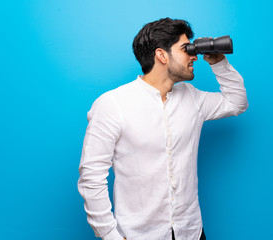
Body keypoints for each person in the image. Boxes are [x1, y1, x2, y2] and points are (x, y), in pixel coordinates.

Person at [78, 17, 248, 240]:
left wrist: (218, 62)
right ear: (161, 55)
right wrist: (109, 234)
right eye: (185, 48)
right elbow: (92, 176)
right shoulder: (113, 104)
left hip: (191, 232)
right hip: (141, 235)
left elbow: (237, 103)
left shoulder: (193, 98)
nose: (193, 55)